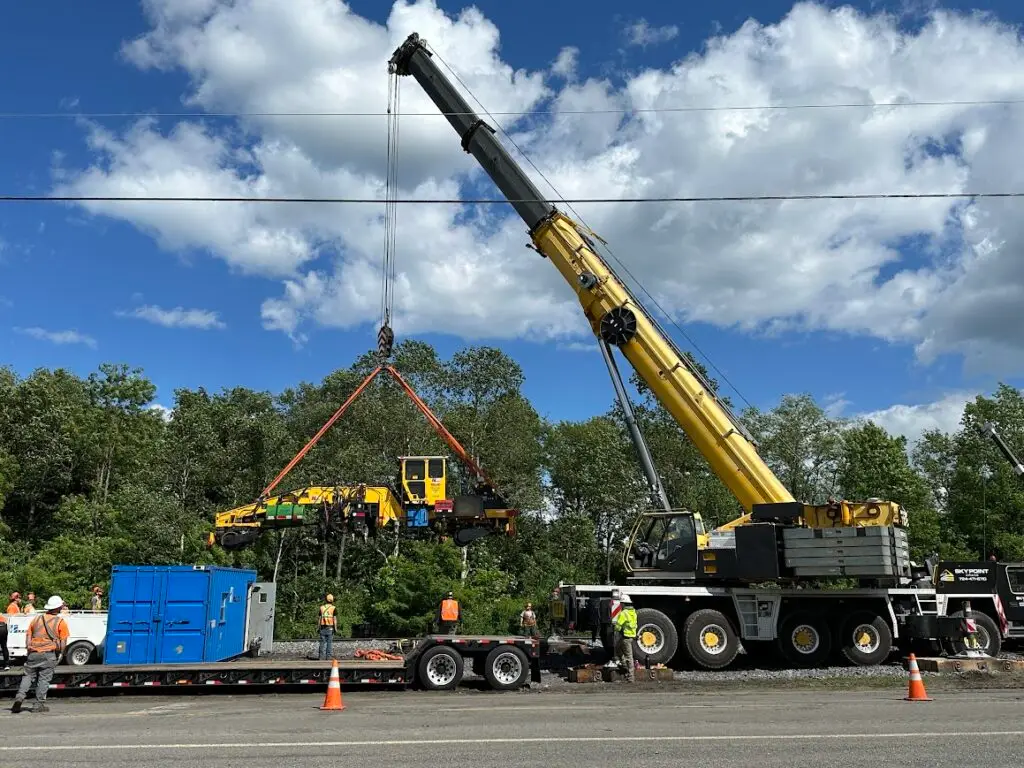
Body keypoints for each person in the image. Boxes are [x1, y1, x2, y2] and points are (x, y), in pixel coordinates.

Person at [11, 595, 70, 713]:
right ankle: (38, 705)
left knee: (27, 676)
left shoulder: (36, 619)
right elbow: (63, 642)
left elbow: (28, 636)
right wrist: (61, 654)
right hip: (49, 654)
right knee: (44, 679)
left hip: (33, 652)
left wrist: (29, 649)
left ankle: (19, 698)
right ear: (58, 608)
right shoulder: (60, 622)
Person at [613, 593, 638, 682]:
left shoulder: (624, 613)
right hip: (630, 636)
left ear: (623, 604)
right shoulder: (633, 612)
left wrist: (615, 628)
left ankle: (630, 676)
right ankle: (625, 668)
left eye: (621, 603)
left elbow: (618, 626)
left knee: (628, 656)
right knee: (618, 650)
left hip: (625, 637)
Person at [318, 594, 337, 660]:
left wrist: (318, 627)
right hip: (330, 628)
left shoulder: (321, 608)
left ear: (326, 600)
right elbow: (334, 619)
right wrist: (335, 628)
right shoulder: (333, 608)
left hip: (322, 627)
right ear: (332, 600)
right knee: (329, 643)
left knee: (322, 642)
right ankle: (328, 657)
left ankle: (320, 657)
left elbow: (319, 619)